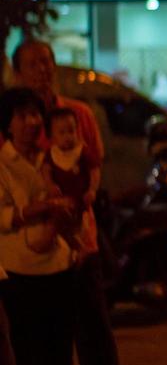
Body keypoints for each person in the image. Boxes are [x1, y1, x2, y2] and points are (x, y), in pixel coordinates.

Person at [14, 39, 128, 365]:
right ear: (17, 74)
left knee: (95, 330)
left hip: (83, 241)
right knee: (43, 338)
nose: (42, 69)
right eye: (32, 64)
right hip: (38, 246)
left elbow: (93, 169)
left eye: (46, 61)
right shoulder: (15, 126)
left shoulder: (78, 115)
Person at [0, 87, 91, 365]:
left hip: (57, 262)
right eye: (22, 115)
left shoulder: (51, 157)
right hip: (18, 267)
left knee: (57, 346)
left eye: (35, 114)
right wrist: (29, 211)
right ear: (7, 123)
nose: (32, 121)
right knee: (17, 353)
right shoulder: (3, 165)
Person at [42, 108, 99, 259]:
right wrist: (50, 185)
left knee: (83, 230)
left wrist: (92, 189)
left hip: (81, 203)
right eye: (62, 133)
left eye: (71, 131)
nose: (68, 136)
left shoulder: (82, 152)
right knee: (62, 229)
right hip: (61, 202)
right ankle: (75, 251)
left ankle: (83, 252)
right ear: (52, 136)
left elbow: (94, 170)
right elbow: (46, 169)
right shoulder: (51, 154)